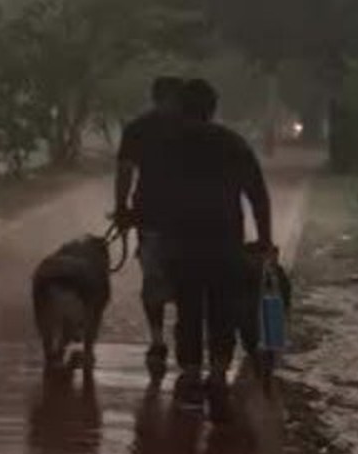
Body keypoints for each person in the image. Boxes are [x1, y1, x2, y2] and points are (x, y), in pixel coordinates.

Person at [166, 78, 274, 421]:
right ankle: (217, 373)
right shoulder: (233, 143)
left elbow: (154, 193)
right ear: (213, 109)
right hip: (225, 240)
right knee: (222, 307)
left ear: (180, 109)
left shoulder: (171, 143)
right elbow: (257, 194)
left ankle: (192, 373)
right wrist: (265, 240)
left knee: (188, 308)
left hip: (181, 242)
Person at [114, 76, 184, 376]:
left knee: (158, 280)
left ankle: (160, 340)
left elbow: (125, 172)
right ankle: (168, 339)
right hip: (178, 218)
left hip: (155, 215)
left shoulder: (138, 129)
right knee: (174, 280)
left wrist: (122, 209)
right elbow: (125, 172)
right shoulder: (193, 129)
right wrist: (122, 208)